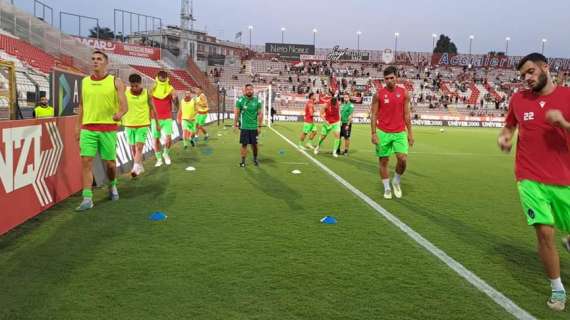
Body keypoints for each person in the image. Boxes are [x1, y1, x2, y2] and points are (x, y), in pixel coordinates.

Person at [498, 53, 570, 312]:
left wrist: (563, 123)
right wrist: (504, 138)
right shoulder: (518, 99)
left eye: (530, 72)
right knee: (544, 232)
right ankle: (557, 289)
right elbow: (509, 126)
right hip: (529, 178)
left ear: (545, 68)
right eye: (522, 75)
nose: (526, 79)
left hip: (564, 179)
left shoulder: (567, 96)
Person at [75, 50, 128, 211]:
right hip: (88, 128)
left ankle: (112, 185)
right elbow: (82, 106)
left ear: (106, 63)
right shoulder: (84, 82)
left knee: (110, 165)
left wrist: (119, 114)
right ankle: (87, 198)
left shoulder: (115, 82)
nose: (95, 61)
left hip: (107, 128)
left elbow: (124, 106)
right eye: (93, 59)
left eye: (99, 59)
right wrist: (77, 127)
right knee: (86, 162)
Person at [370, 66, 414, 200]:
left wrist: (410, 133)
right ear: (384, 80)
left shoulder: (404, 93)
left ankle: (396, 181)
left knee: (403, 159)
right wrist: (373, 133)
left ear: (396, 78)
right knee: (384, 161)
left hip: (400, 132)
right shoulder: (378, 94)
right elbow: (374, 114)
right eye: (386, 78)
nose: (389, 80)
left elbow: (407, 114)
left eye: (391, 78)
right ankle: (387, 188)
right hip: (382, 132)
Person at [123, 73, 156, 178]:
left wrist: (157, 122)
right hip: (129, 124)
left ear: (140, 84)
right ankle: (139, 165)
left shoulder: (147, 93)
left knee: (139, 147)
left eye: (136, 86)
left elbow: (152, 108)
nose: (134, 88)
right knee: (133, 148)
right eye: (132, 86)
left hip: (143, 124)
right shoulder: (125, 92)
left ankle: (135, 168)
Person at [151, 70, 177, 167]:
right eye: (160, 79)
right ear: (157, 77)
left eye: (163, 79)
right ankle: (159, 159)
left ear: (166, 78)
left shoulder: (171, 89)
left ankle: (166, 154)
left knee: (168, 138)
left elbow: (175, 101)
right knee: (156, 139)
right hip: (155, 118)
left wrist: (175, 98)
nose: (162, 81)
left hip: (167, 117)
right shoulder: (152, 88)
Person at [234, 84, 263, 167]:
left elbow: (260, 114)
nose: (249, 91)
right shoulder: (240, 101)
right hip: (244, 127)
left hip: (254, 127)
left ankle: (255, 159)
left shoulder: (258, 101)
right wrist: (235, 125)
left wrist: (259, 126)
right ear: (245, 91)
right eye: (247, 89)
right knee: (244, 145)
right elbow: (237, 113)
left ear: (253, 90)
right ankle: (243, 161)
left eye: (251, 89)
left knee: (255, 145)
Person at [314, 91, 341, 158]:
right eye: (334, 103)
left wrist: (340, 120)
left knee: (337, 136)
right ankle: (317, 147)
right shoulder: (325, 105)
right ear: (331, 101)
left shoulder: (337, 103)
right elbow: (321, 114)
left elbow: (339, 112)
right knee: (323, 137)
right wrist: (325, 121)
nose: (335, 104)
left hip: (336, 122)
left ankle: (334, 152)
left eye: (336, 102)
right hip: (328, 122)